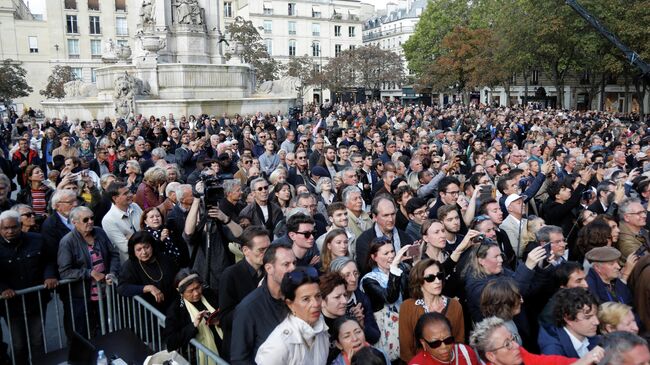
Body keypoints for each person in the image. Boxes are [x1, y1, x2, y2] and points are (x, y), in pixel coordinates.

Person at [0, 210, 58, 364]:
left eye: (13, 227)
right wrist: (3, 289)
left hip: (36, 300)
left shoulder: (37, 240)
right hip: (11, 305)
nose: (10, 231)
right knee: (18, 344)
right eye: (5, 228)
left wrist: (49, 275)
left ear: (20, 226)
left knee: (37, 340)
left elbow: (49, 261)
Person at [58, 206, 121, 338]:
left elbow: (113, 254)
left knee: (107, 329)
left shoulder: (99, 232)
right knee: (85, 333)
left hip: (105, 293)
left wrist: (112, 273)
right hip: (83, 297)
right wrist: (89, 273)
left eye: (92, 218)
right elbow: (65, 272)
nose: (90, 221)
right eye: (85, 219)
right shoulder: (67, 241)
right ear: (74, 223)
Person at [230, 243, 297, 365]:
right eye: (286, 264)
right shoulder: (248, 308)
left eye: (294, 263)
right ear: (269, 268)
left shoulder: (299, 297)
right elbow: (239, 358)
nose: (293, 268)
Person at [255, 266, 329, 365]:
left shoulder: (321, 327)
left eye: (318, 296)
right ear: (290, 304)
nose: (316, 304)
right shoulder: (278, 345)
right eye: (306, 299)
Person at [218, 226, 271, 362]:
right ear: (246, 251)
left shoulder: (270, 271)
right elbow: (225, 319)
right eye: (261, 250)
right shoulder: (231, 275)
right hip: (241, 348)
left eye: (269, 249)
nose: (267, 254)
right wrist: (256, 298)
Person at [399, 259, 465, 363]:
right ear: (419, 281)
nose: (437, 281)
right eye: (430, 278)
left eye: (439, 276)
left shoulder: (455, 306)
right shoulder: (407, 307)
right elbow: (406, 349)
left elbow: (459, 344)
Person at [463, 240, 545, 323]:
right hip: (497, 331)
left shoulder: (503, 271)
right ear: (481, 261)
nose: (501, 260)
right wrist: (527, 267)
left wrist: (541, 268)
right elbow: (510, 296)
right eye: (496, 256)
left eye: (501, 255)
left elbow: (527, 291)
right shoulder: (475, 285)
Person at [470, 316, 604, 365]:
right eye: (507, 344)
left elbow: (550, 362)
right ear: (491, 356)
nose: (516, 345)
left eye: (513, 338)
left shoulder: (520, 355)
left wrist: (585, 360)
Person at [361, 237, 412, 361]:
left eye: (392, 251)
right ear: (374, 257)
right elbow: (390, 297)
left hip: (404, 324)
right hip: (385, 331)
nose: (391, 256)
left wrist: (415, 261)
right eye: (385, 253)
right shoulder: (369, 279)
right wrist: (394, 267)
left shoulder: (401, 270)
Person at [164, 269, 223, 360]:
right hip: (198, 357)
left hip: (225, 347)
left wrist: (220, 321)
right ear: (181, 293)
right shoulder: (176, 310)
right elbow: (171, 342)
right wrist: (194, 325)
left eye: (198, 287)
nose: (196, 293)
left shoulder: (209, 294)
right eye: (190, 291)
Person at [117, 231, 178, 311]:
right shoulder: (130, 265)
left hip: (171, 306)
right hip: (147, 313)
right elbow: (122, 287)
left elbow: (177, 276)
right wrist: (148, 288)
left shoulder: (164, 259)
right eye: (139, 250)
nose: (144, 252)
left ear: (152, 246)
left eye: (147, 247)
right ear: (134, 252)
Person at [356, 196, 414, 275]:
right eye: (385, 215)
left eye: (393, 214)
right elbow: (366, 270)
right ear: (374, 217)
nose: (390, 219)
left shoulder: (405, 237)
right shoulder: (364, 240)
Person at [329, 257, 381, 345]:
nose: (353, 279)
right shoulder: (329, 300)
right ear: (336, 278)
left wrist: (361, 324)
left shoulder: (362, 298)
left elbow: (375, 336)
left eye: (355, 273)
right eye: (347, 275)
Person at [538, 287, 601, 358]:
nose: (597, 322)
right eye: (588, 318)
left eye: (596, 315)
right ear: (568, 319)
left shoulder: (593, 338)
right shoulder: (553, 352)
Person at [408, 313, 478, 365]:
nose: (444, 347)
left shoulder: (465, 352)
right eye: (435, 343)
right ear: (423, 343)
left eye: (448, 340)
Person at [102, 181, 144, 262]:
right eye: (125, 194)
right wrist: (143, 235)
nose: (130, 195)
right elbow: (125, 247)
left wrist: (131, 237)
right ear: (115, 198)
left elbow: (148, 229)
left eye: (129, 191)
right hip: (131, 262)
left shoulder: (135, 206)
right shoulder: (108, 220)